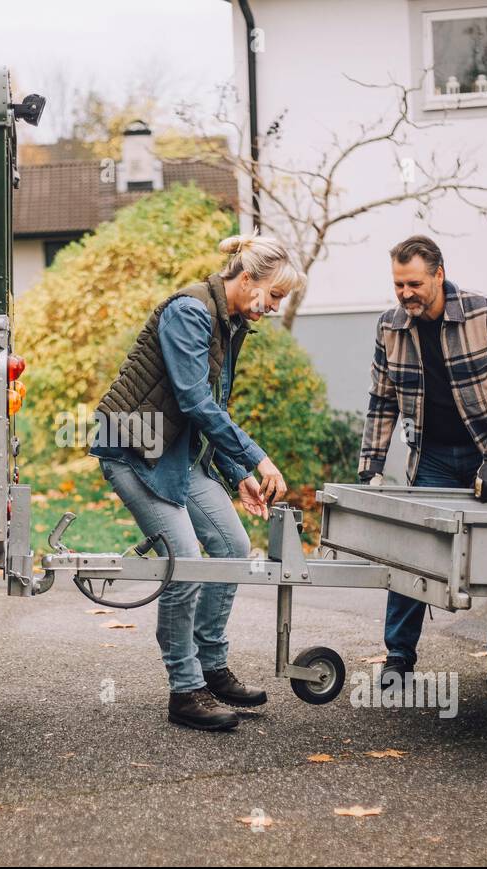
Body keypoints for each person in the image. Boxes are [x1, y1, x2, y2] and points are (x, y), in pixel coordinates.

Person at [91, 234, 304, 731]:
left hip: (178, 453)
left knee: (231, 547)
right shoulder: (188, 311)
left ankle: (211, 666)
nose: (272, 308)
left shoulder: (228, 322)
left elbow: (212, 412)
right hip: (133, 448)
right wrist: (260, 458)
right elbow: (193, 400)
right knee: (185, 563)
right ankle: (185, 690)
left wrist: (239, 475)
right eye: (272, 296)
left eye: (280, 302)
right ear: (246, 278)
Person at [358, 235, 487, 686]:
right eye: (398, 284)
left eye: (414, 283)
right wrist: (371, 465)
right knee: (416, 553)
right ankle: (398, 656)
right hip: (433, 456)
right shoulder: (390, 327)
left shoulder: (484, 314)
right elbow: (382, 401)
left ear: (439, 275)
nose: (405, 294)